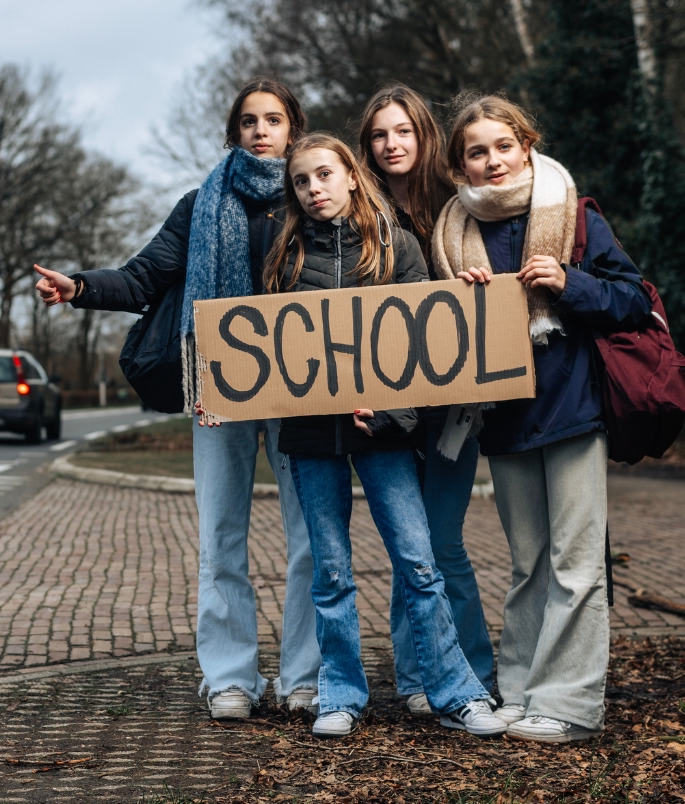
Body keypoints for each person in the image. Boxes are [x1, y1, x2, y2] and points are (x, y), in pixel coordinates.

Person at [33, 78, 321, 720]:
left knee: (310, 538)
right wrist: (78, 286)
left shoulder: (316, 198)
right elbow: (142, 277)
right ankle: (230, 678)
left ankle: (304, 675)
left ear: (294, 129)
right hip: (218, 386)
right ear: (233, 132)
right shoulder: (201, 205)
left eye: (274, 119)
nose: (261, 131)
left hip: (302, 391)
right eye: (248, 121)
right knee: (221, 536)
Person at [264, 132, 507, 739]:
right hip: (312, 441)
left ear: (351, 174)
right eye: (301, 181)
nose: (314, 189)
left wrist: (394, 415)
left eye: (324, 174)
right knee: (331, 573)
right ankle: (340, 694)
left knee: (420, 564)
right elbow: (269, 355)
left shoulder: (396, 248)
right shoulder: (284, 257)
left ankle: (454, 691)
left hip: (387, 438)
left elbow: (425, 350)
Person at [434, 95, 651, 742]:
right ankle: (523, 690)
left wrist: (569, 282)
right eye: (477, 151)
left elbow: (633, 301)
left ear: (526, 145)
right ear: (461, 166)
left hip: (573, 407)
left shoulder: (576, 215)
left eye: (504, 145)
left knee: (576, 562)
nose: (493, 160)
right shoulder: (449, 235)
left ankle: (571, 706)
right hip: (501, 418)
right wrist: (457, 300)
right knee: (529, 561)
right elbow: (433, 341)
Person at [358, 85, 495, 714]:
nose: (393, 145)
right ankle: (416, 679)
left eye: (404, 131)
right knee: (408, 547)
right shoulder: (357, 217)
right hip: (387, 409)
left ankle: (475, 674)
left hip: (451, 410)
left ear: (424, 135)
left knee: (443, 543)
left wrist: (474, 282)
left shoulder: (461, 206)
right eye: (381, 135)